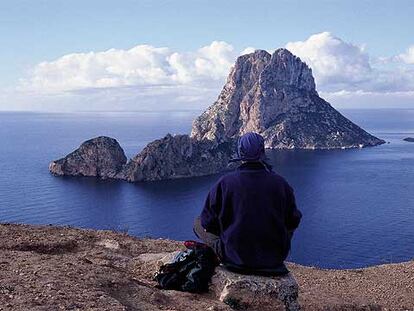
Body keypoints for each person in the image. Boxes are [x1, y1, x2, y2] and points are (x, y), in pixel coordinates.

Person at [193, 132, 302, 275]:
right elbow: (293, 220)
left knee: (198, 222)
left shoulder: (225, 183)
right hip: (273, 259)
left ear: (240, 152)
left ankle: (219, 255)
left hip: (234, 258)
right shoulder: (280, 183)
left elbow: (208, 222)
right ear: (262, 152)